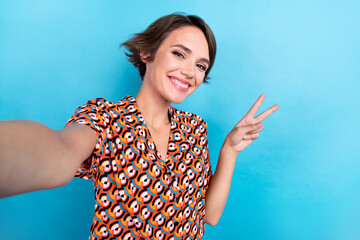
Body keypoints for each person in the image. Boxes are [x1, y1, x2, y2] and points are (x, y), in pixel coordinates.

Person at [0, 13, 279, 239]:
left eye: (201, 66)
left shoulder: (195, 130)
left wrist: (230, 150)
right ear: (147, 53)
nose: (190, 72)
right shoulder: (106, 117)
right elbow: (60, 149)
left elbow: (209, 215)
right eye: (179, 54)